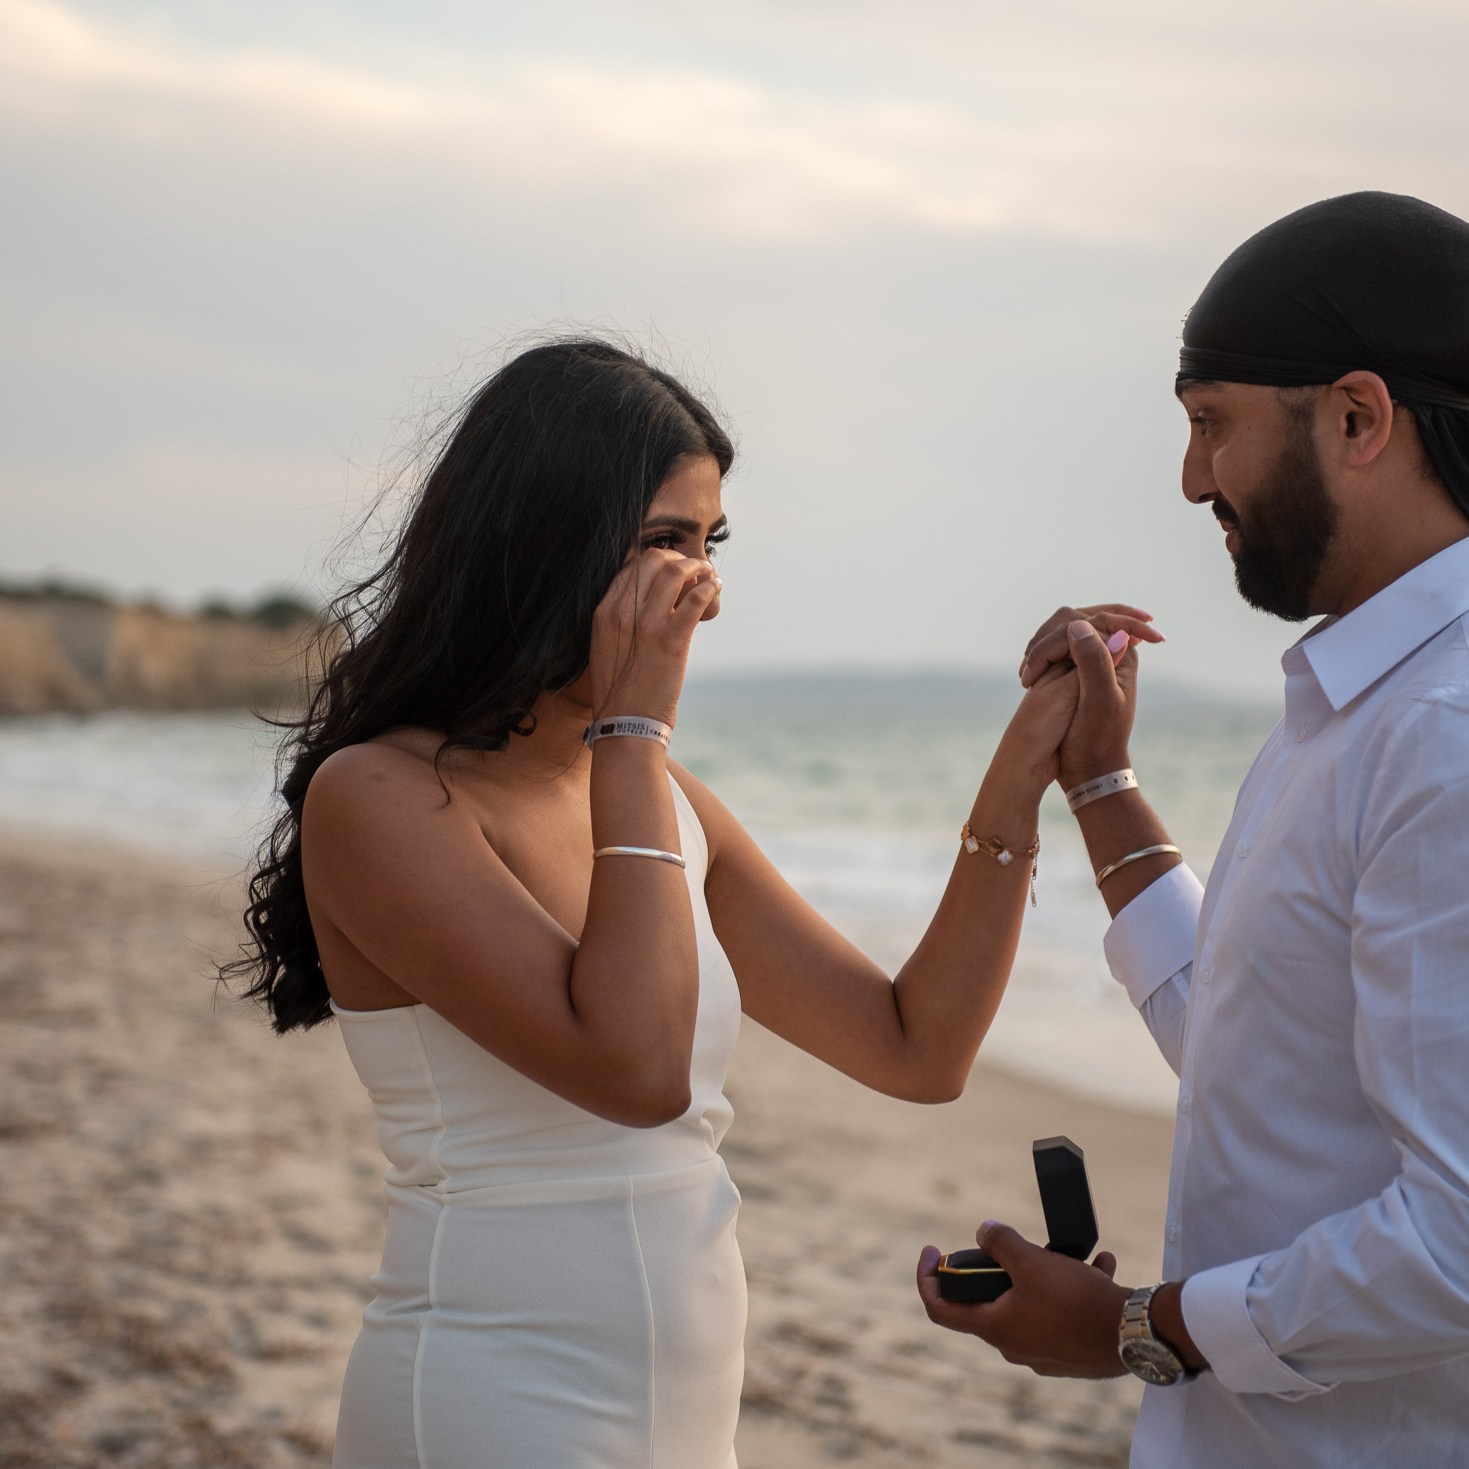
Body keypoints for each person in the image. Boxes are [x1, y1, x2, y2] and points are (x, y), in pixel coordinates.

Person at [224, 337, 1152, 1469]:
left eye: (710, 545)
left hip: (680, 1409)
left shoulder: (657, 796)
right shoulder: (378, 795)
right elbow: (638, 1069)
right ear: (543, 541)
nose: (701, 590)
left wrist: (1022, 777)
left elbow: (917, 1046)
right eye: (665, 544)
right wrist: (629, 732)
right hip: (486, 1392)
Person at [916, 190, 1469, 1466]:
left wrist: (1135, 1326)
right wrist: (1098, 783)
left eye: (1208, 425)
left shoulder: (1439, 729)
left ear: (1356, 416)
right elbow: (1262, 1046)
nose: (1186, 479)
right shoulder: (1358, 698)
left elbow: (1454, 1236)